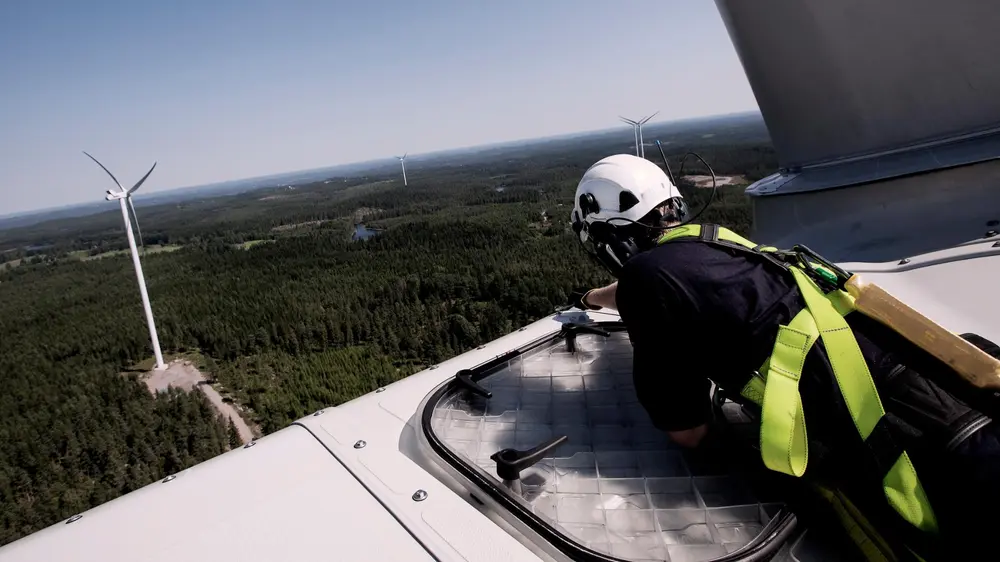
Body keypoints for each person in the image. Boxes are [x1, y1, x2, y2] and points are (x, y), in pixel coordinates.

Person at [569, 153, 1000, 560]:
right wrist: (590, 297)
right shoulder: (721, 246)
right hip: (949, 396)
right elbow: (649, 284)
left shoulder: (649, 279)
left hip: (914, 452)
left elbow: (689, 433)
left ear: (611, 236)